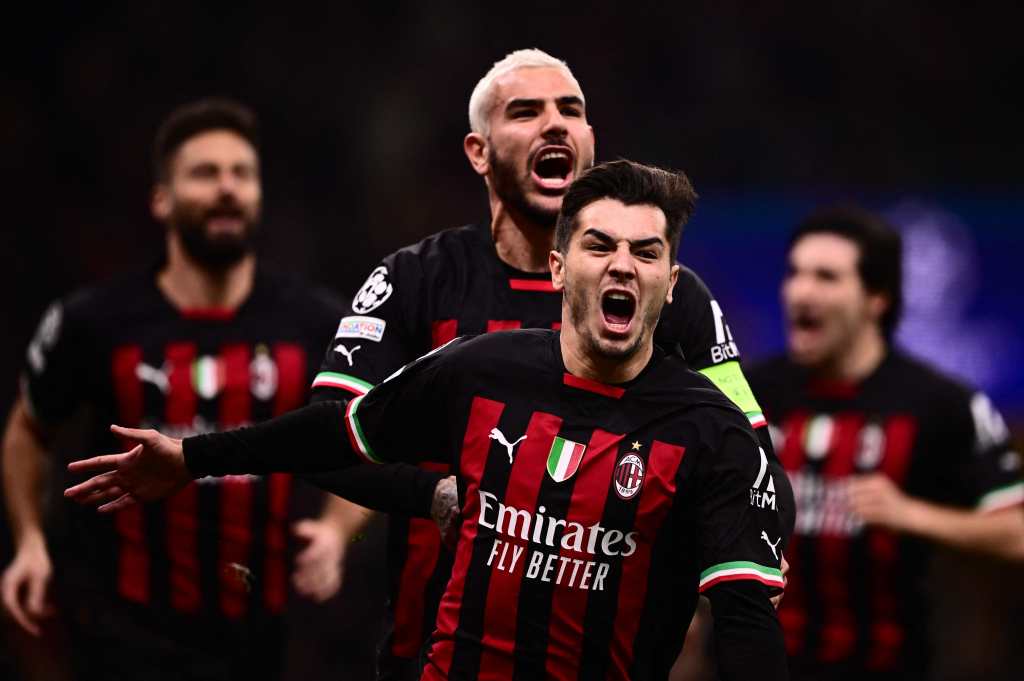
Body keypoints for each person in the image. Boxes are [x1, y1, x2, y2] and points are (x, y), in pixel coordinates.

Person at [66, 159, 791, 681]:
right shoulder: (479, 369)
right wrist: (192, 458)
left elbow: (745, 620)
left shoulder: (710, 430)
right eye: (600, 245)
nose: (622, 265)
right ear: (557, 268)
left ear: (671, 281)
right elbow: (335, 431)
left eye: (646, 252)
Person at [307, 48, 791, 681]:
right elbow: (326, 435)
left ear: (590, 140)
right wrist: (429, 494)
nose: (554, 124)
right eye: (526, 112)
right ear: (479, 152)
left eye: (570, 109)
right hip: (430, 653)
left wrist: (749, 552)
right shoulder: (417, 278)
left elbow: (754, 457)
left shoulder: (673, 298)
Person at [1, 98, 350, 680]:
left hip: (264, 638)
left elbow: (361, 432)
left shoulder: (314, 322)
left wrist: (338, 531)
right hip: (119, 634)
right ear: (161, 199)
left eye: (242, 173)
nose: (227, 188)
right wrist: (28, 541)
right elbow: (27, 430)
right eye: (205, 173)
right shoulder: (94, 321)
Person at [746, 206, 1024, 680]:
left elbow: (1016, 533)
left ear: (876, 298)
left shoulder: (940, 404)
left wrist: (912, 514)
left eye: (826, 277)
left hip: (887, 666)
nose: (801, 291)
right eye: (794, 273)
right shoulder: (750, 394)